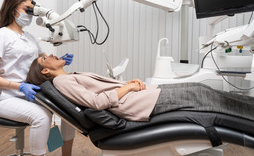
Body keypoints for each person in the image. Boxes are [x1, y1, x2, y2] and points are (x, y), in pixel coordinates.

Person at [26, 54, 254, 123]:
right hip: (140, 103)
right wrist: (130, 89)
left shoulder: (69, 77)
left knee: (203, 90)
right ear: (45, 71)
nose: (53, 54)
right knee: (205, 94)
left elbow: (99, 92)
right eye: (46, 57)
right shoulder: (62, 82)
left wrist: (127, 84)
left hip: (142, 97)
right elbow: (95, 103)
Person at [0, 0, 74, 156]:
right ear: (13, 10)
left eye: (33, 9)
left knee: (68, 109)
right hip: (7, 98)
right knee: (42, 117)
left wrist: (59, 60)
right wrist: (20, 86)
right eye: (27, 9)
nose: (31, 14)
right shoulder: (0, 36)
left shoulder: (30, 38)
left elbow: (45, 59)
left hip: (30, 95)